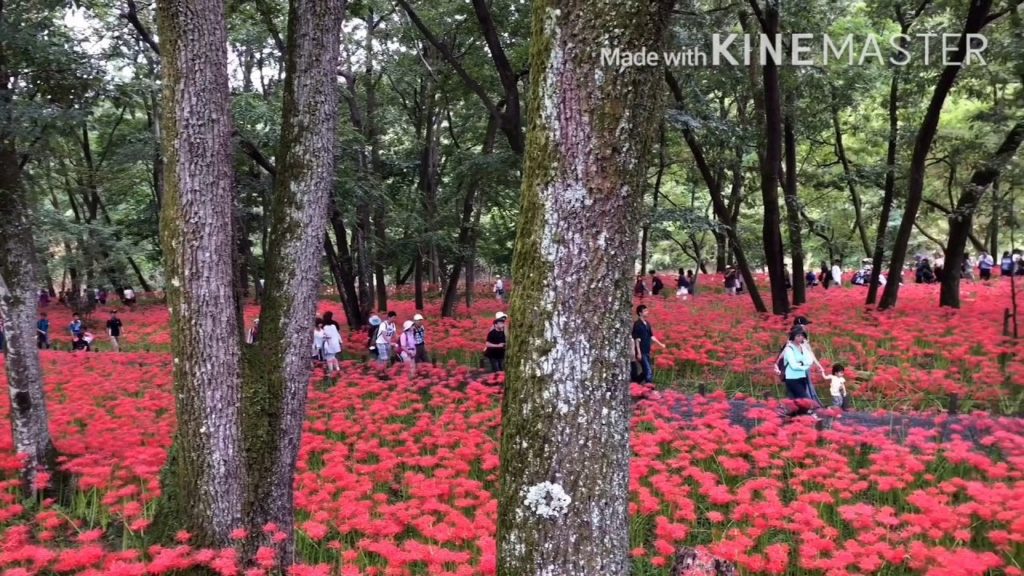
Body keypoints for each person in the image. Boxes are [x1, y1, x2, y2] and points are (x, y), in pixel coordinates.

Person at [781, 328, 821, 418]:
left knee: (797, 400)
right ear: (793, 337)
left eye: (802, 336)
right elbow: (793, 366)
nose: (801, 338)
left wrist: (802, 364)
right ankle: (803, 416)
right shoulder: (789, 349)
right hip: (792, 379)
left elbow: (810, 360)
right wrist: (804, 365)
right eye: (798, 336)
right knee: (805, 399)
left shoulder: (803, 347)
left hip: (802, 377)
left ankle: (795, 418)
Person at [631, 304, 667, 385]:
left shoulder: (647, 323)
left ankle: (635, 383)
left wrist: (660, 344)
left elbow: (652, 336)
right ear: (640, 313)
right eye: (645, 311)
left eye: (647, 310)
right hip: (641, 351)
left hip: (647, 350)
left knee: (645, 370)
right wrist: (638, 353)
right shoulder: (637, 324)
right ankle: (649, 388)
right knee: (648, 371)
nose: (647, 312)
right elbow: (637, 339)